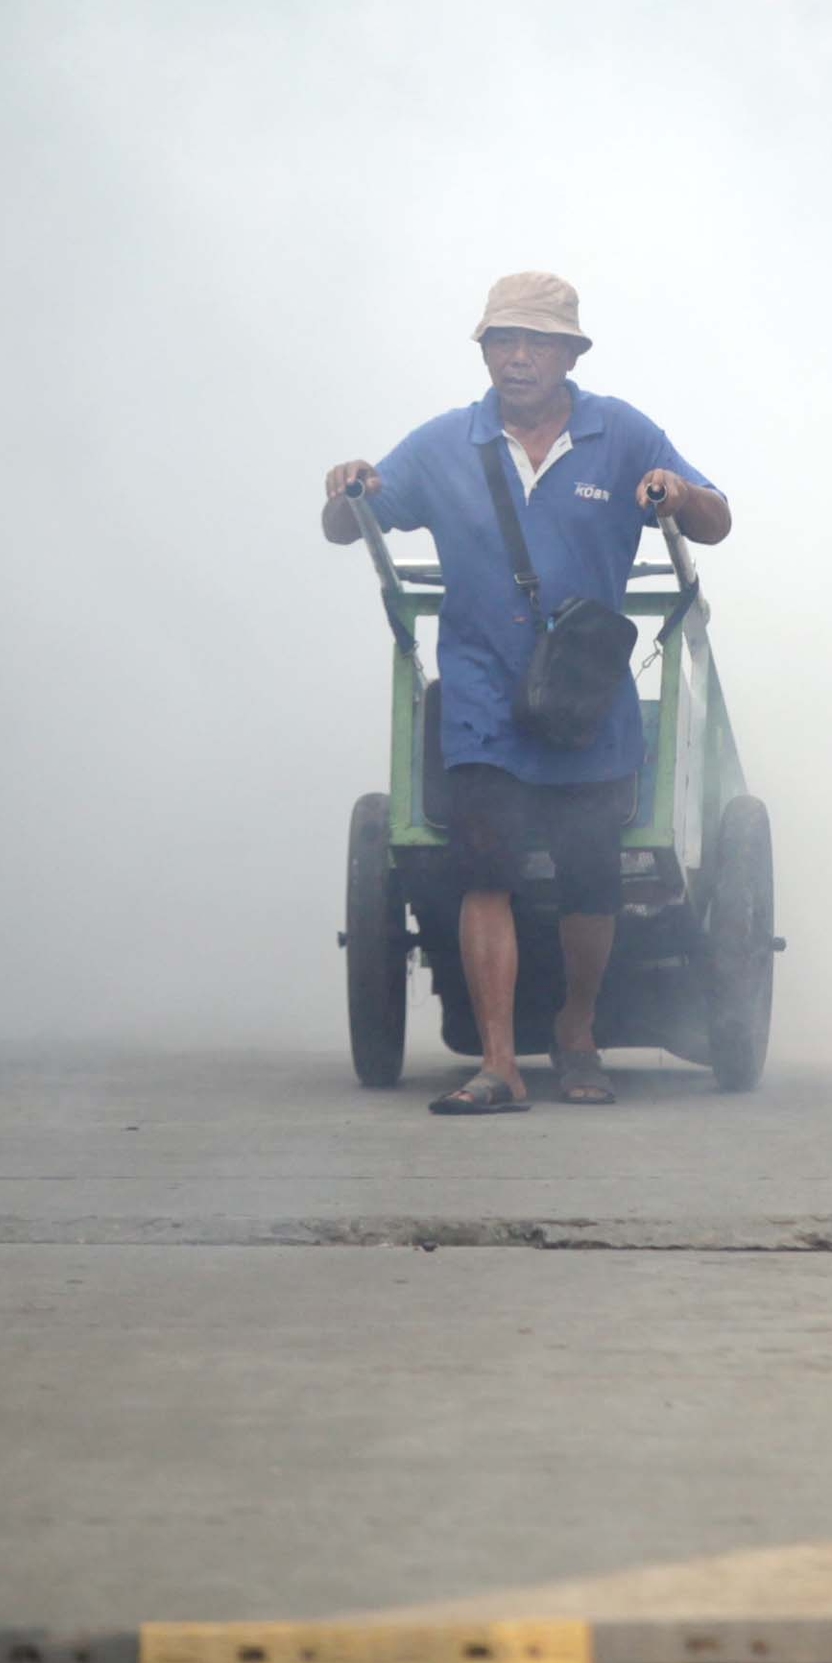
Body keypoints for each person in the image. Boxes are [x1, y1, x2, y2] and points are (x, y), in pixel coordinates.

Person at [320, 272, 730, 1113]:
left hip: (585, 698)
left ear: (570, 354)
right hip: (479, 696)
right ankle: (500, 1063)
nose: (517, 357)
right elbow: (346, 523)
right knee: (486, 870)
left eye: (536, 342)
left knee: (589, 876)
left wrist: (679, 497)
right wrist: (346, 486)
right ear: (484, 352)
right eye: (502, 341)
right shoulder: (444, 444)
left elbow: (717, 517)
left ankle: (576, 1030)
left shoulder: (621, 435)